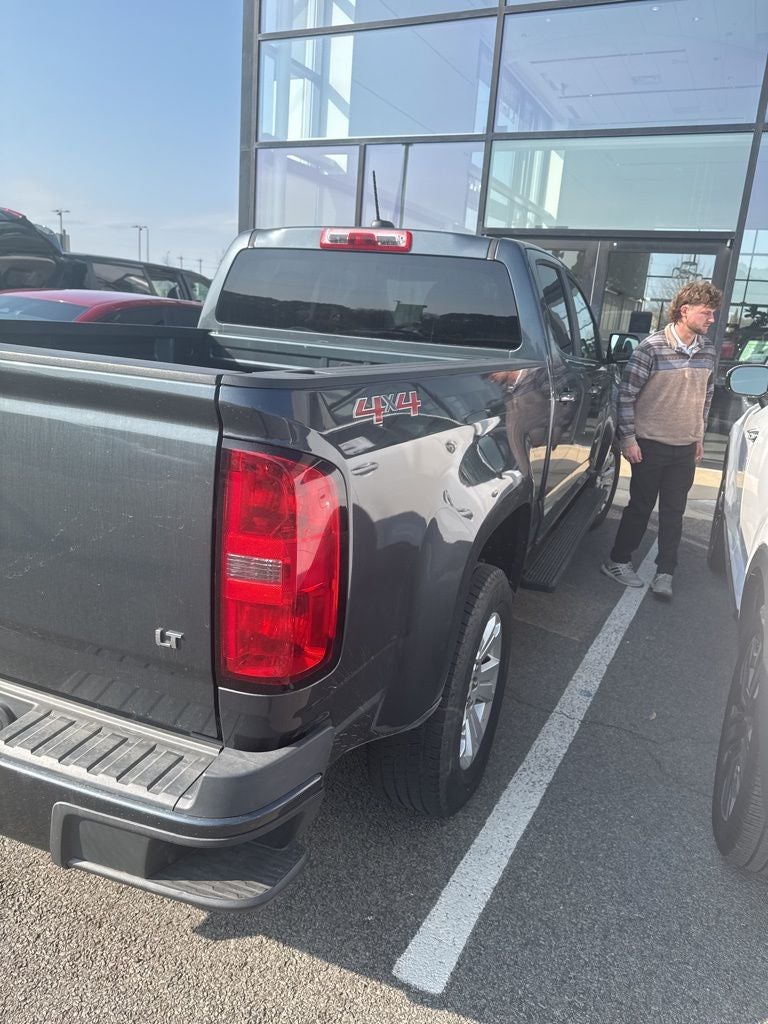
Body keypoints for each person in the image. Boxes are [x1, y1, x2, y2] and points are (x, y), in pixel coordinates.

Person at [601, 281, 722, 600]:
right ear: (685, 310)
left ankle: (665, 571)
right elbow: (626, 395)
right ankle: (617, 561)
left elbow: (707, 395)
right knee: (640, 508)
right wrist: (628, 439)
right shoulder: (651, 348)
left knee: (674, 511)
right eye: (706, 312)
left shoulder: (708, 350)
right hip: (650, 444)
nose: (712, 319)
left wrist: (698, 435)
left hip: (685, 446)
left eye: (713, 313)